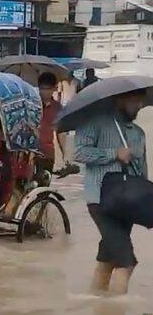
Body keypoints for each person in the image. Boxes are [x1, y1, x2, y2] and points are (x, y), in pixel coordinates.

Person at [74, 89, 148, 295]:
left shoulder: (139, 133)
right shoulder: (94, 123)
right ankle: (118, 307)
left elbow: (143, 169)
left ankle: (96, 301)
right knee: (126, 262)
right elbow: (79, 152)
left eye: (141, 102)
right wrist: (113, 153)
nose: (139, 106)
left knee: (108, 259)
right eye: (135, 101)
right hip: (100, 200)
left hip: (128, 203)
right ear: (120, 99)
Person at [37, 72, 76, 181]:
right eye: (42, 89)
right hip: (31, 153)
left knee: (43, 186)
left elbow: (61, 132)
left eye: (47, 89)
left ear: (54, 89)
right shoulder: (32, 105)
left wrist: (65, 154)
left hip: (48, 154)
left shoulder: (57, 108)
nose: (44, 92)